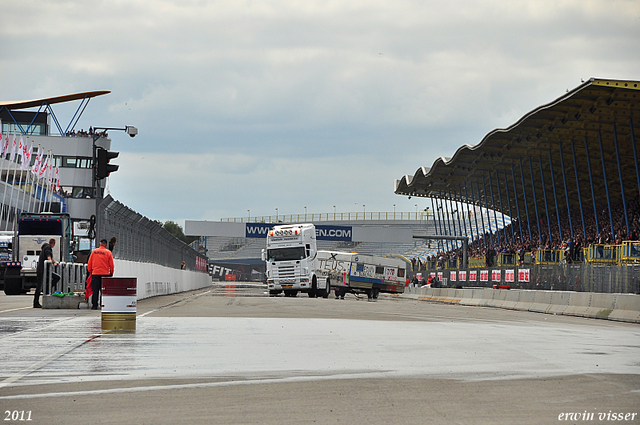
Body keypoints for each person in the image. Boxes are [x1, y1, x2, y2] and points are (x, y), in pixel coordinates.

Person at [87, 239, 115, 310]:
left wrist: (90, 271)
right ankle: (103, 304)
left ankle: (94, 305)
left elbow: (89, 263)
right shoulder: (108, 252)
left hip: (95, 273)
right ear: (105, 245)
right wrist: (111, 272)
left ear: (99, 244)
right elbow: (111, 264)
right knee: (103, 291)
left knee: (95, 290)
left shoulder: (94, 252)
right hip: (105, 274)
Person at [34, 238, 56, 308]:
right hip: (43, 269)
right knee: (39, 286)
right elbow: (49, 256)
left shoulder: (45, 247)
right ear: (53, 244)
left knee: (39, 286)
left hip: (42, 269)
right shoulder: (48, 248)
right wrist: (50, 261)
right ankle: (36, 301)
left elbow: (51, 257)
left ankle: (45, 289)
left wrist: (55, 262)